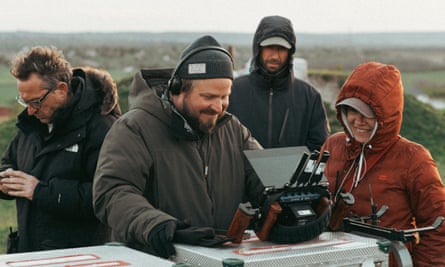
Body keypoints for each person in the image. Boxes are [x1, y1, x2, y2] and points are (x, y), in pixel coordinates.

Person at [93, 35, 265, 259]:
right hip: (158, 259)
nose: (218, 106)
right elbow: (112, 192)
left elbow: (267, 179)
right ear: (177, 90)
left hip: (222, 258)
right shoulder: (134, 128)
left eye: (225, 97)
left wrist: (292, 204)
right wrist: (159, 226)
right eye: (208, 96)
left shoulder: (233, 129)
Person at [321, 61, 445, 266]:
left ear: (386, 116)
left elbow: (440, 229)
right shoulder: (333, 145)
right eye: (351, 111)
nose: (358, 121)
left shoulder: (413, 158)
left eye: (367, 114)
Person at [0, 46, 121, 252]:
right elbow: (8, 161)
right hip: (29, 252)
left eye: (36, 101)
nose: (30, 110)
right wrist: (5, 181)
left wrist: (40, 192)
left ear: (61, 89)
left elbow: (108, 198)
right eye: (24, 101)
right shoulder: (32, 121)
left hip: (79, 257)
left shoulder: (102, 128)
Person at [228, 15, 329, 150]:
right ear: (258, 48)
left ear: (290, 52)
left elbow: (319, 149)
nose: (275, 56)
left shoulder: (309, 97)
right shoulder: (232, 92)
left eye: (281, 49)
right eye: (269, 47)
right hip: (240, 172)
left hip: (294, 172)